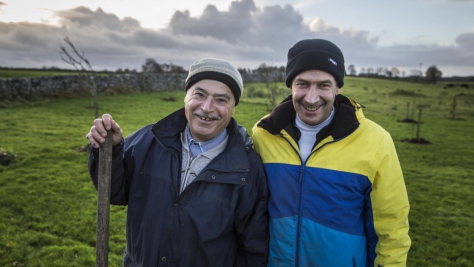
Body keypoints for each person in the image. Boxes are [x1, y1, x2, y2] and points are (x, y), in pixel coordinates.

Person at [86, 58, 269, 266]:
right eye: (199, 94)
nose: (207, 108)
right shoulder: (148, 140)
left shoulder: (247, 167)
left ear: (233, 107)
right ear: (186, 97)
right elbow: (114, 192)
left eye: (221, 99)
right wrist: (110, 151)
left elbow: (253, 248)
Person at [252, 39, 411, 266]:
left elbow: (391, 227)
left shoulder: (376, 141)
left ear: (337, 88)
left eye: (323, 85)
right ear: (291, 86)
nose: (311, 97)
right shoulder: (263, 134)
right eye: (303, 84)